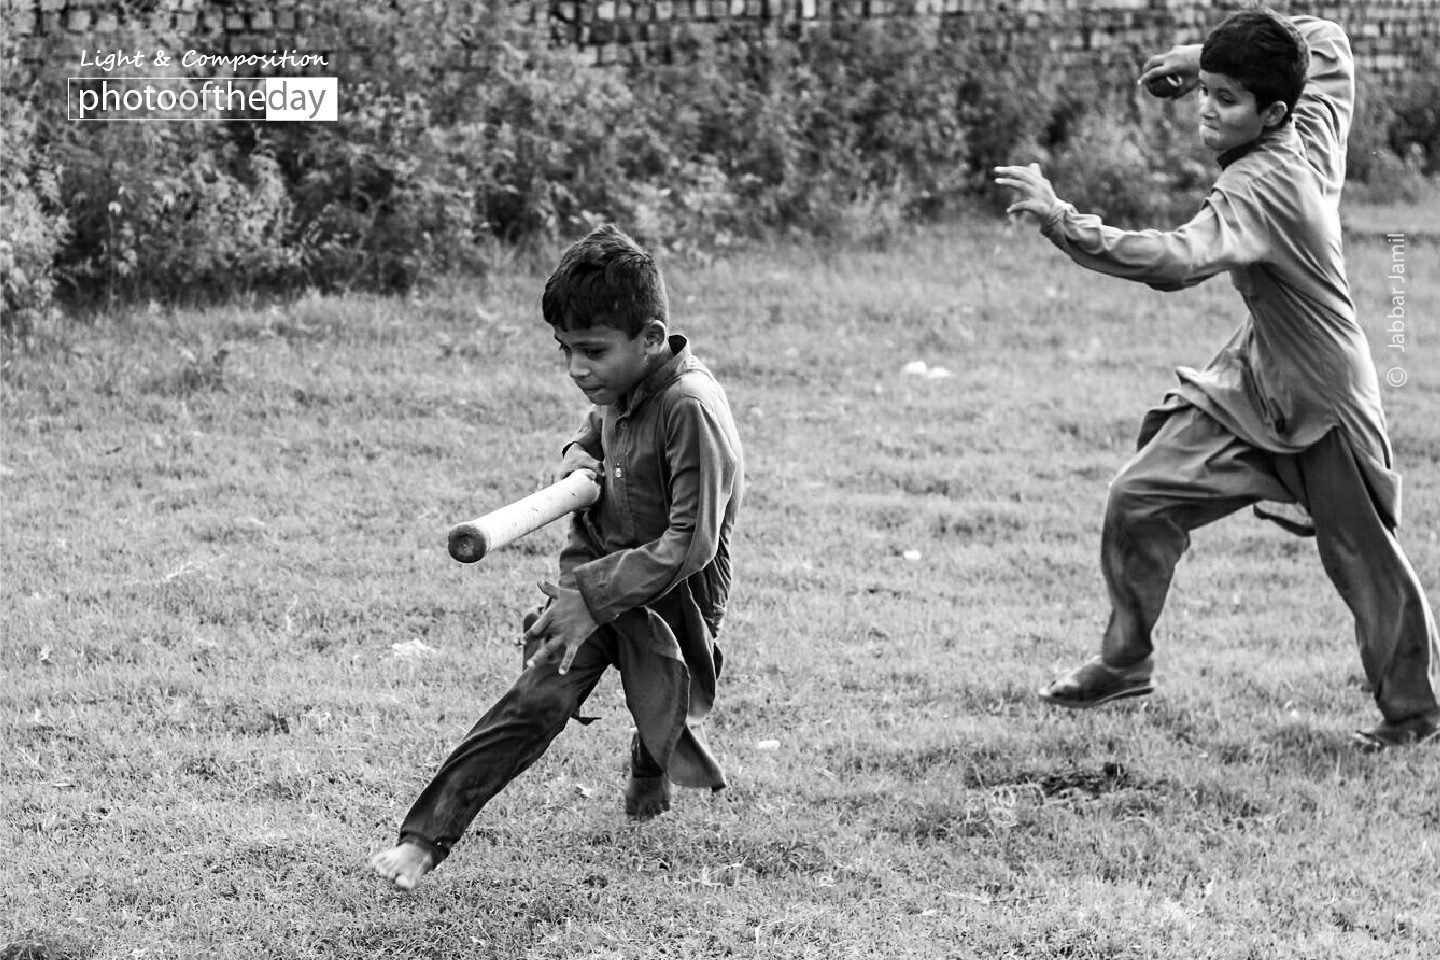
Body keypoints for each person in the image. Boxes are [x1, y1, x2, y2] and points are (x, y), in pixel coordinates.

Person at [994, 11, 1439, 749]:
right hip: (1256, 375)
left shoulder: (1262, 185)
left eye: (1225, 97)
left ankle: (1415, 713)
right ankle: (1124, 661)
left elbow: (1175, 259)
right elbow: (1326, 39)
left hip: (1326, 397)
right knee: (1139, 498)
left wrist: (1062, 219)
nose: (1205, 106)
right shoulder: (1311, 114)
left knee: (1363, 562)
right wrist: (1207, 55)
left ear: (1272, 113)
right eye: (1205, 90)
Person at [370, 224, 745, 890]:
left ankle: (650, 763)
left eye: (593, 351)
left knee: (661, 699)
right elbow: (590, 437)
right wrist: (577, 462)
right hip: (591, 572)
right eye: (565, 351)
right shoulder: (615, 388)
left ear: (651, 338)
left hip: (674, 597)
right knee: (535, 699)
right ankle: (425, 838)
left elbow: (692, 541)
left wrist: (593, 599)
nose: (577, 370)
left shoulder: (689, 409)